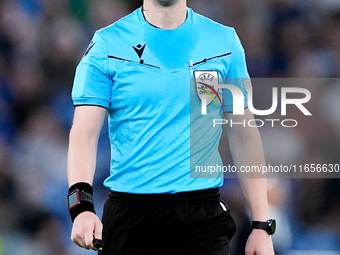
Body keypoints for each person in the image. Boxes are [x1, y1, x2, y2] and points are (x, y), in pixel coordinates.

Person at [66, 0, 276, 254]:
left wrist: (261, 225)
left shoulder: (224, 42)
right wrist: (81, 208)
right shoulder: (107, 44)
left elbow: (244, 136)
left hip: (202, 219)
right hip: (130, 218)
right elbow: (84, 135)